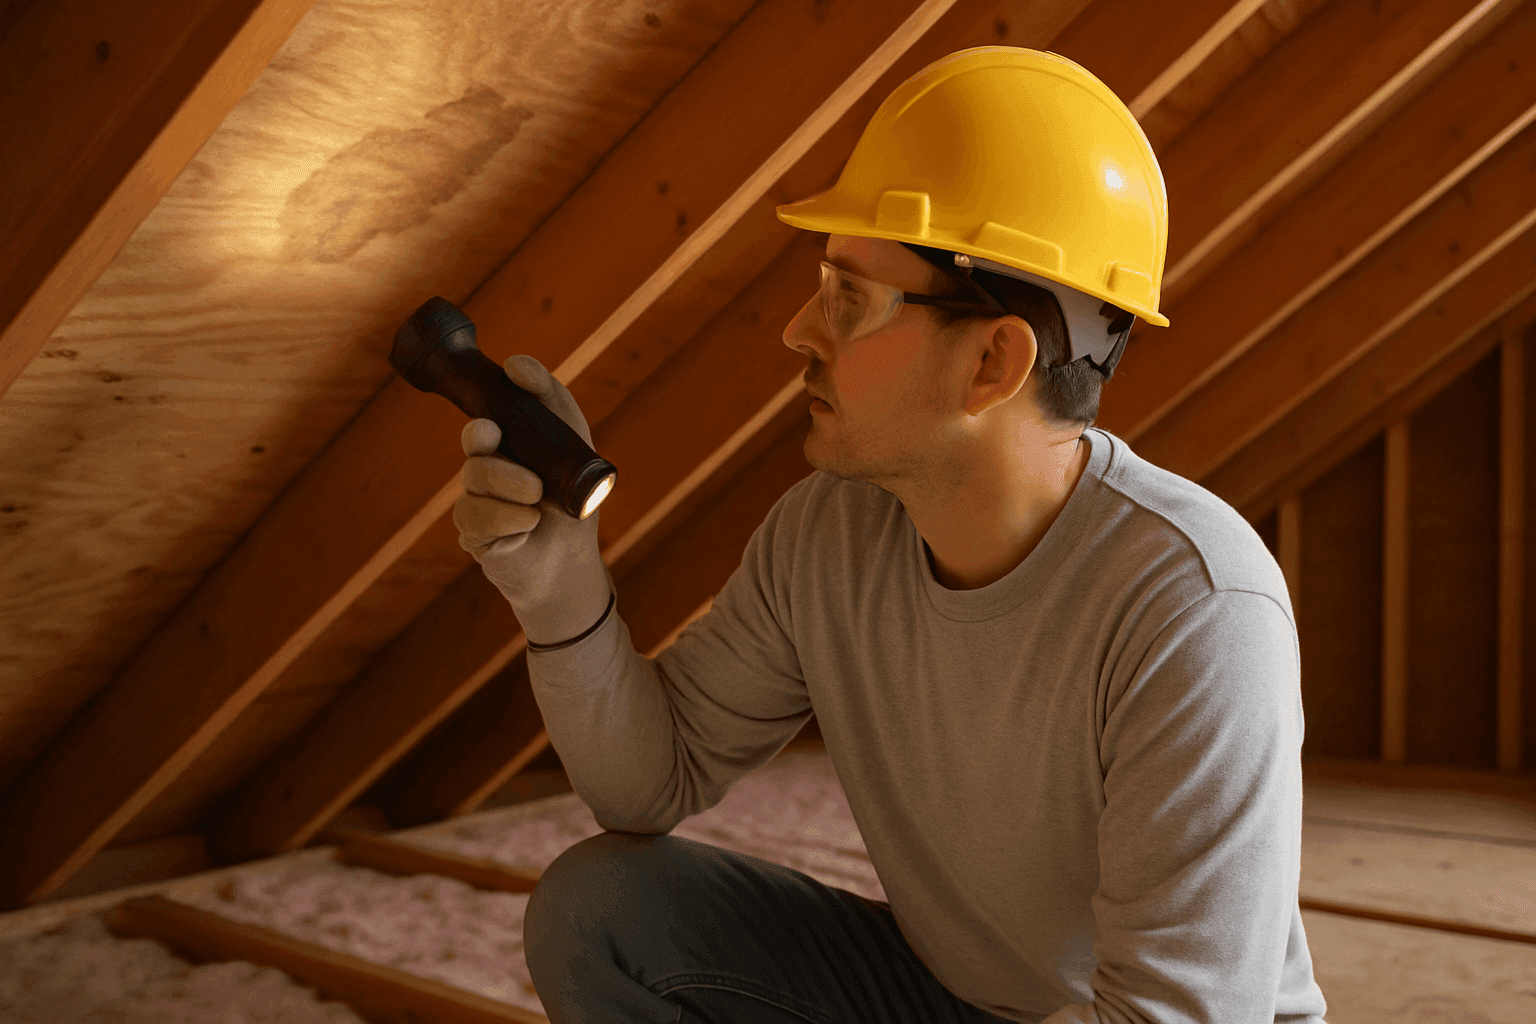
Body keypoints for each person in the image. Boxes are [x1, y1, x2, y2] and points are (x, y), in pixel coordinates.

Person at [453, 46, 1329, 1024]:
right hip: (946, 994)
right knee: (602, 910)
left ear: (993, 361)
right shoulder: (828, 536)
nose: (797, 330)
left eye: (847, 298)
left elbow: (1173, 1016)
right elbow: (651, 782)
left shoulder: (1195, 609)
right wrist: (561, 590)